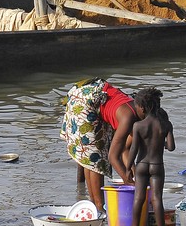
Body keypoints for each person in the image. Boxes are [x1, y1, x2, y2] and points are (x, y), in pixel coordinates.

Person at [60, 79, 140, 214]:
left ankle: (93, 206)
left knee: (89, 157)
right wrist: (128, 181)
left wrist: (136, 176)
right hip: (84, 104)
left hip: (90, 96)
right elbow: (113, 156)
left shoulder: (136, 113)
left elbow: (125, 150)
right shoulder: (129, 118)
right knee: (96, 158)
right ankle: (98, 207)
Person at [126, 88, 176, 226]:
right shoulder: (166, 124)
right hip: (157, 165)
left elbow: (133, 148)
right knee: (156, 197)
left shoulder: (138, 126)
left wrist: (128, 167)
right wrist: (163, 144)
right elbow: (172, 147)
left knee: (138, 197)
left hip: (141, 164)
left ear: (142, 107)